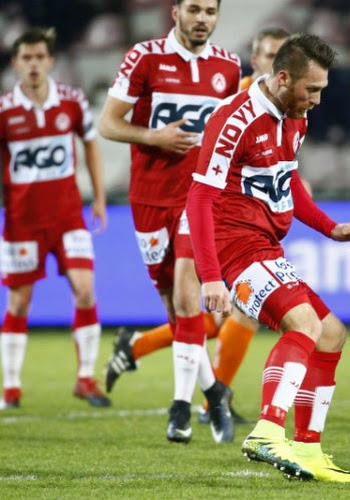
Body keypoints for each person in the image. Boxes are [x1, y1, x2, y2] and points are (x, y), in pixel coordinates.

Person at [187, 33, 350, 482]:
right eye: (312, 89)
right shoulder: (235, 118)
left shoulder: (295, 117)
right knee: (303, 324)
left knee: (331, 334)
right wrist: (210, 277)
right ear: (282, 78)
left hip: (266, 247)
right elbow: (199, 199)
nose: (318, 100)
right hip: (235, 249)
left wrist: (329, 227)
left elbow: (287, 185)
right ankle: (268, 430)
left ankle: (307, 448)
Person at [98, 0, 238, 443]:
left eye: (211, 12)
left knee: (185, 293)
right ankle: (214, 392)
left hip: (198, 199)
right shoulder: (145, 57)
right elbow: (107, 123)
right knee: (176, 310)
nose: (203, 19)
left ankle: (179, 411)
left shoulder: (229, 68)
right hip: (148, 198)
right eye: (194, 9)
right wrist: (153, 136)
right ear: (175, 11)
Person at [0, 28, 109, 409]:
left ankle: (85, 378)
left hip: (67, 218)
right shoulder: (4, 111)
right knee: (18, 303)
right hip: (22, 222)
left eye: (39, 57)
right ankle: (10, 388)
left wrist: (97, 197)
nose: (33, 64)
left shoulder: (72, 102)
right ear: (16, 63)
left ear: (50, 60)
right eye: (25, 58)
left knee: (85, 289)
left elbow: (91, 144)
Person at [240, 27, 290, 92]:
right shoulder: (233, 93)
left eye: (284, 56)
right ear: (254, 61)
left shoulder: (300, 96)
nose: (279, 62)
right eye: (271, 56)